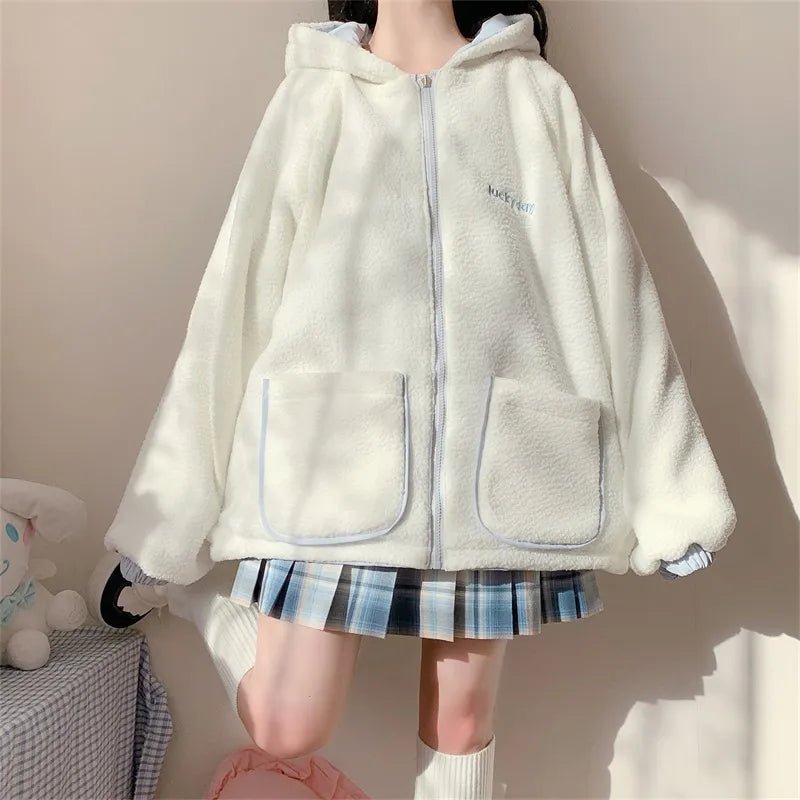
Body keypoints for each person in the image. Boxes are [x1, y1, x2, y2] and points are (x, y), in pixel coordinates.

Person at [99, 3, 737, 798]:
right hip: (334, 463)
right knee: (287, 728)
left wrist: (676, 497)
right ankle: (200, 597)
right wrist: (165, 528)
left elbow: (618, 289)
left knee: (462, 723)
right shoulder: (318, 95)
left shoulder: (531, 93)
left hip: (495, 473)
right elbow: (235, 298)